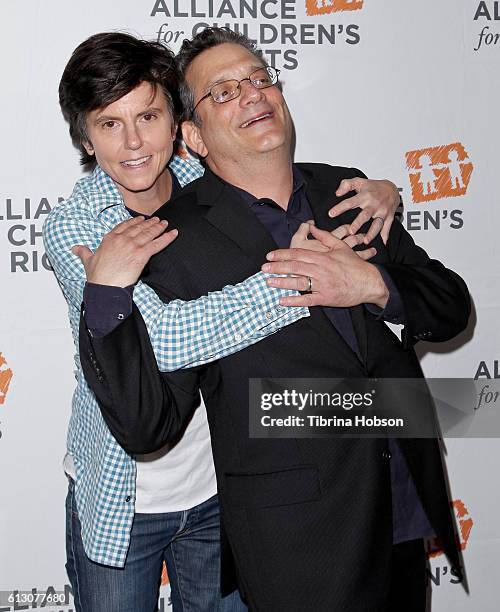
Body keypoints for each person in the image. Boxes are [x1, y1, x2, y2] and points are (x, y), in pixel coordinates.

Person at [78, 27, 471, 611]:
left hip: (402, 503)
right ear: (193, 136)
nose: (253, 94)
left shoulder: (347, 190)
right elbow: (149, 425)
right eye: (225, 91)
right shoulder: (174, 241)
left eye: (261, 79)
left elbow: (451, 306)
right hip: (300, 543)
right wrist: (107, 297)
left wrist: (372, 285)